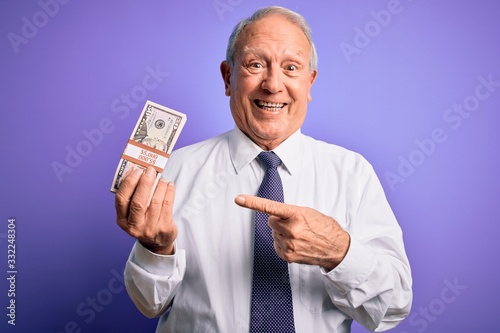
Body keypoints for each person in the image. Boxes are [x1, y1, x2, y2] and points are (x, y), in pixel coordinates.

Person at [115, 6, 412, 333]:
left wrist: (338, 252)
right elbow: (147, 304)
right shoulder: (175, 171)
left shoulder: (353, 174)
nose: (273, 85)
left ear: (310, 82)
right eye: (255, 65)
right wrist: (157, 251)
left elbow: (393, 308)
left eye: (291, 68)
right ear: (229, 78)